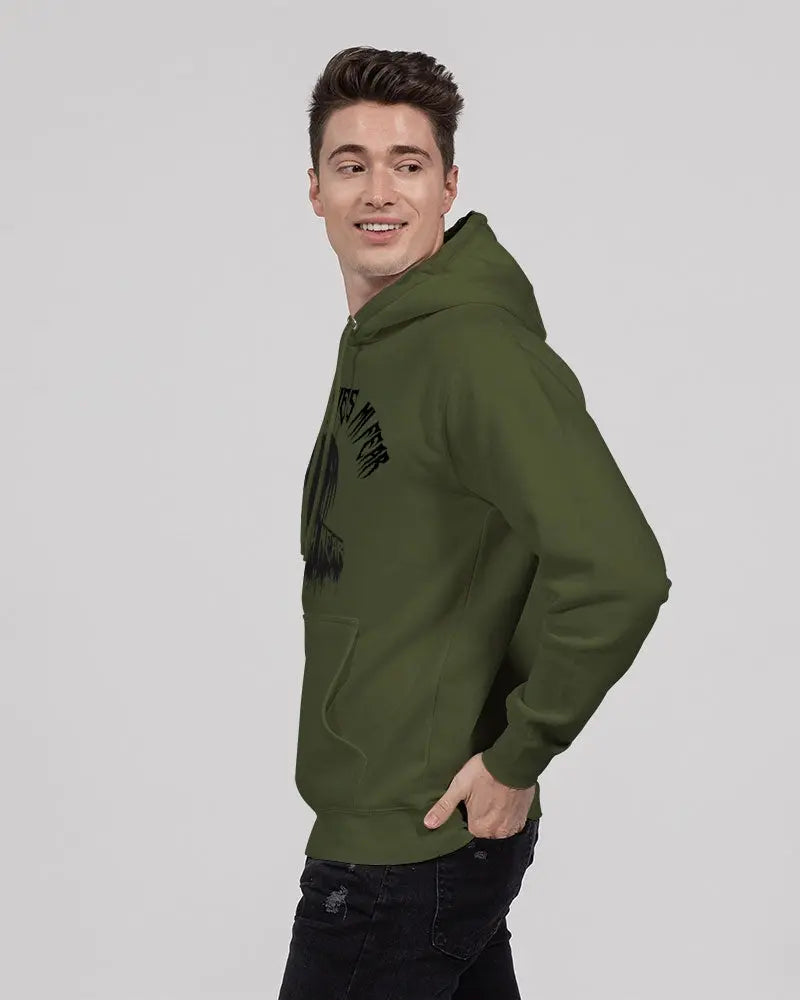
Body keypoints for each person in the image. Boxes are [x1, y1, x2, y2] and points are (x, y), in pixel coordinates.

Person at [278, 45, 671, 1000]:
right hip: (401, 834)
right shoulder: (382, 338)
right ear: (315, 190)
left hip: (405, 854)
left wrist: (517, 752)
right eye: (351, 164)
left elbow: (620, 571)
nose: (379, 191)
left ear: (448, 185)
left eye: (408, 164)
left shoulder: (474, 353)